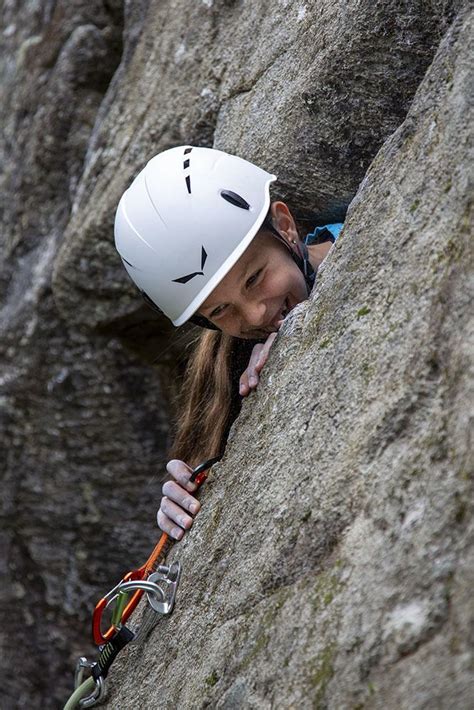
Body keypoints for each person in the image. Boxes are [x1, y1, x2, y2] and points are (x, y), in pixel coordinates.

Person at [114, 145, 343, 541]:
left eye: (254, 278)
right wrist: (189, 497)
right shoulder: (231, 377)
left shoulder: (374, 226)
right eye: (222, 311)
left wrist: (311, 327)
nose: (254, 315)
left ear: (285, 227)